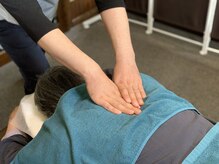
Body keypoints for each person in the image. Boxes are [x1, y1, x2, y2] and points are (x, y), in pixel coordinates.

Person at [1, 66, 218, 164]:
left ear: (48, 110)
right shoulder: (134, 80)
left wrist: (14, 126)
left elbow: (12, 159)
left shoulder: (62, 129)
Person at [0, 0, 146, 114]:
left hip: (45, 12)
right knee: (38, 72)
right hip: (9, 21)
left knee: (41, 51)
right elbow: (31, 17)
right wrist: (93, 74)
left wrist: (127, 59)